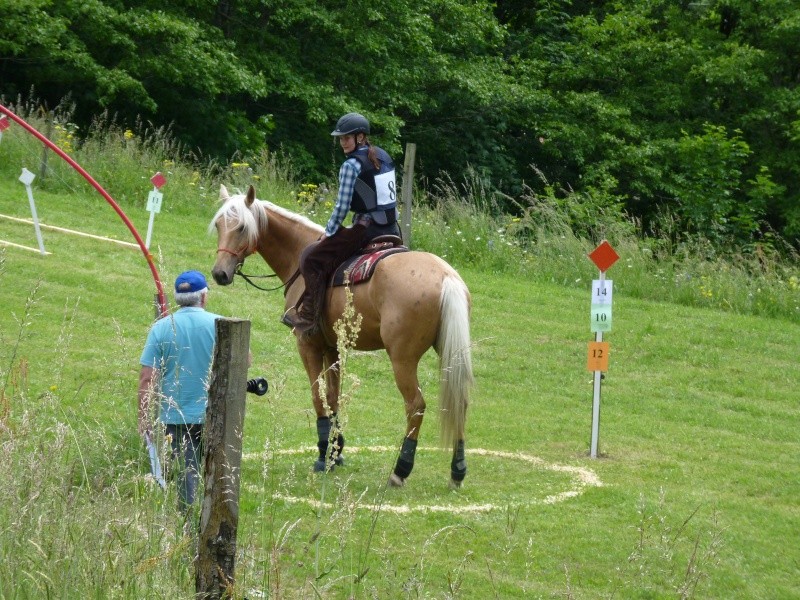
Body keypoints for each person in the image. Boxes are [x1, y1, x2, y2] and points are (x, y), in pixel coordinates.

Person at [292, 112, 402, 335]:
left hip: (366, 230)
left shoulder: (350, 166)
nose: (343, 142)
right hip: (392, 229)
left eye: (347, 138)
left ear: (360, 137)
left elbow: (341, 208)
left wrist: (329, 232)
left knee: (310, 258)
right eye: (341, 138)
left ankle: (308, 316)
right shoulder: (384, 156)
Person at [138, 270, 221, 513]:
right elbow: (243, 361)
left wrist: (143, 417)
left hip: (176, 417)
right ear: (203, 298)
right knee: (217, 474)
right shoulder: (219, 324)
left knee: (187, 475)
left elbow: (146, 378)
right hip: (214, 414)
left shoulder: (161, 328)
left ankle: (187, 525)